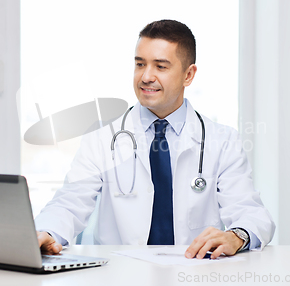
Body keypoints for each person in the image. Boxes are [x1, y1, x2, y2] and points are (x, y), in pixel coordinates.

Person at [36, 20, 275, 259]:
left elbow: (251, 213)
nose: (146, 76)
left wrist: (236, 236)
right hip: (119, 274)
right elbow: (69, 202)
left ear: (188, 75)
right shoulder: (101, 138)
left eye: (160, 67)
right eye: (140, 64)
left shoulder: (222, 141)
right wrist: (47, 232)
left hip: (194, 272)